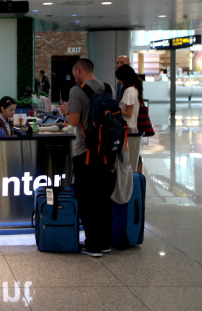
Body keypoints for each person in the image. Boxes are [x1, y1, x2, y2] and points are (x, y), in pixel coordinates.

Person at [58, 58, 116, 258]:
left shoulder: (77, 90)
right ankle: (104, 242)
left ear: (79, 70)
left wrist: (66, 111)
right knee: (103, 198)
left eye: (75, 73)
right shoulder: (108, 88)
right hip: (107, 153)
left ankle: (93, 245)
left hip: (86, 152)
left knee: (87, 199)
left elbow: (73, 121)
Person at [116, 64, 144, 173]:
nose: (119, 82)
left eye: (119, 79)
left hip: (128, 129)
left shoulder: (129, 91)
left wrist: (115, 110)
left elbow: (128, 113)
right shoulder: (135, 89)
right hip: (131, 128)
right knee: (134, 159)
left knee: (129, 164)